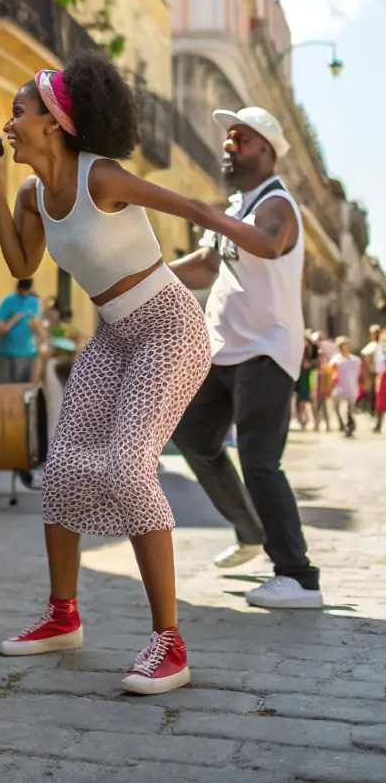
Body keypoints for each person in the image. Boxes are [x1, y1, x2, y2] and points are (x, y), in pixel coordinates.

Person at [0, 58, 281, 695]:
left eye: (19, 112)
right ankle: (63, 616)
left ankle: (170, 642)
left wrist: (253, 236)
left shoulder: (101, 177)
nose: (9, 124)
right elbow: (22, 259)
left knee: (128, 465)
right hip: (114, 332)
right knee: (62, 466)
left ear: (53, 124)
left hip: (168, 325)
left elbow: (189, 205)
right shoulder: (31, 192)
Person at [170, 107, 323, 610]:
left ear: (267, 149)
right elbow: (207, 265)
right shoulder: (237, 205)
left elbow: (270, 242)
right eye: (228, 138)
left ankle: (298, 577)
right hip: (222, 351)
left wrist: (209, 215)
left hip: (265, 349)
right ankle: (249, 530)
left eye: (241, 138)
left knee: (259, 461)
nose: (229, 145)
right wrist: (147, 275)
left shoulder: (275, 203)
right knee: (193, 436)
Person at [0, 279, 41, 383]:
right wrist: (15, 318)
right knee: (5, 388)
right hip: (7, 353)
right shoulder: (8, 301)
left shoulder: (35, 302)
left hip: (27, 353)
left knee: (23, 390)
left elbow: (36, 324)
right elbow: (0, 326)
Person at [330, 337, 361, 437]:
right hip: (339, 388)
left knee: (349, 410)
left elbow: (360, 374)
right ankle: (342, 425)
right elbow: (330, 372)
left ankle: (349, 427)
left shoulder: (356, 360)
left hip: (352, 387)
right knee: (336, 407)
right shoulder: (335, 360)